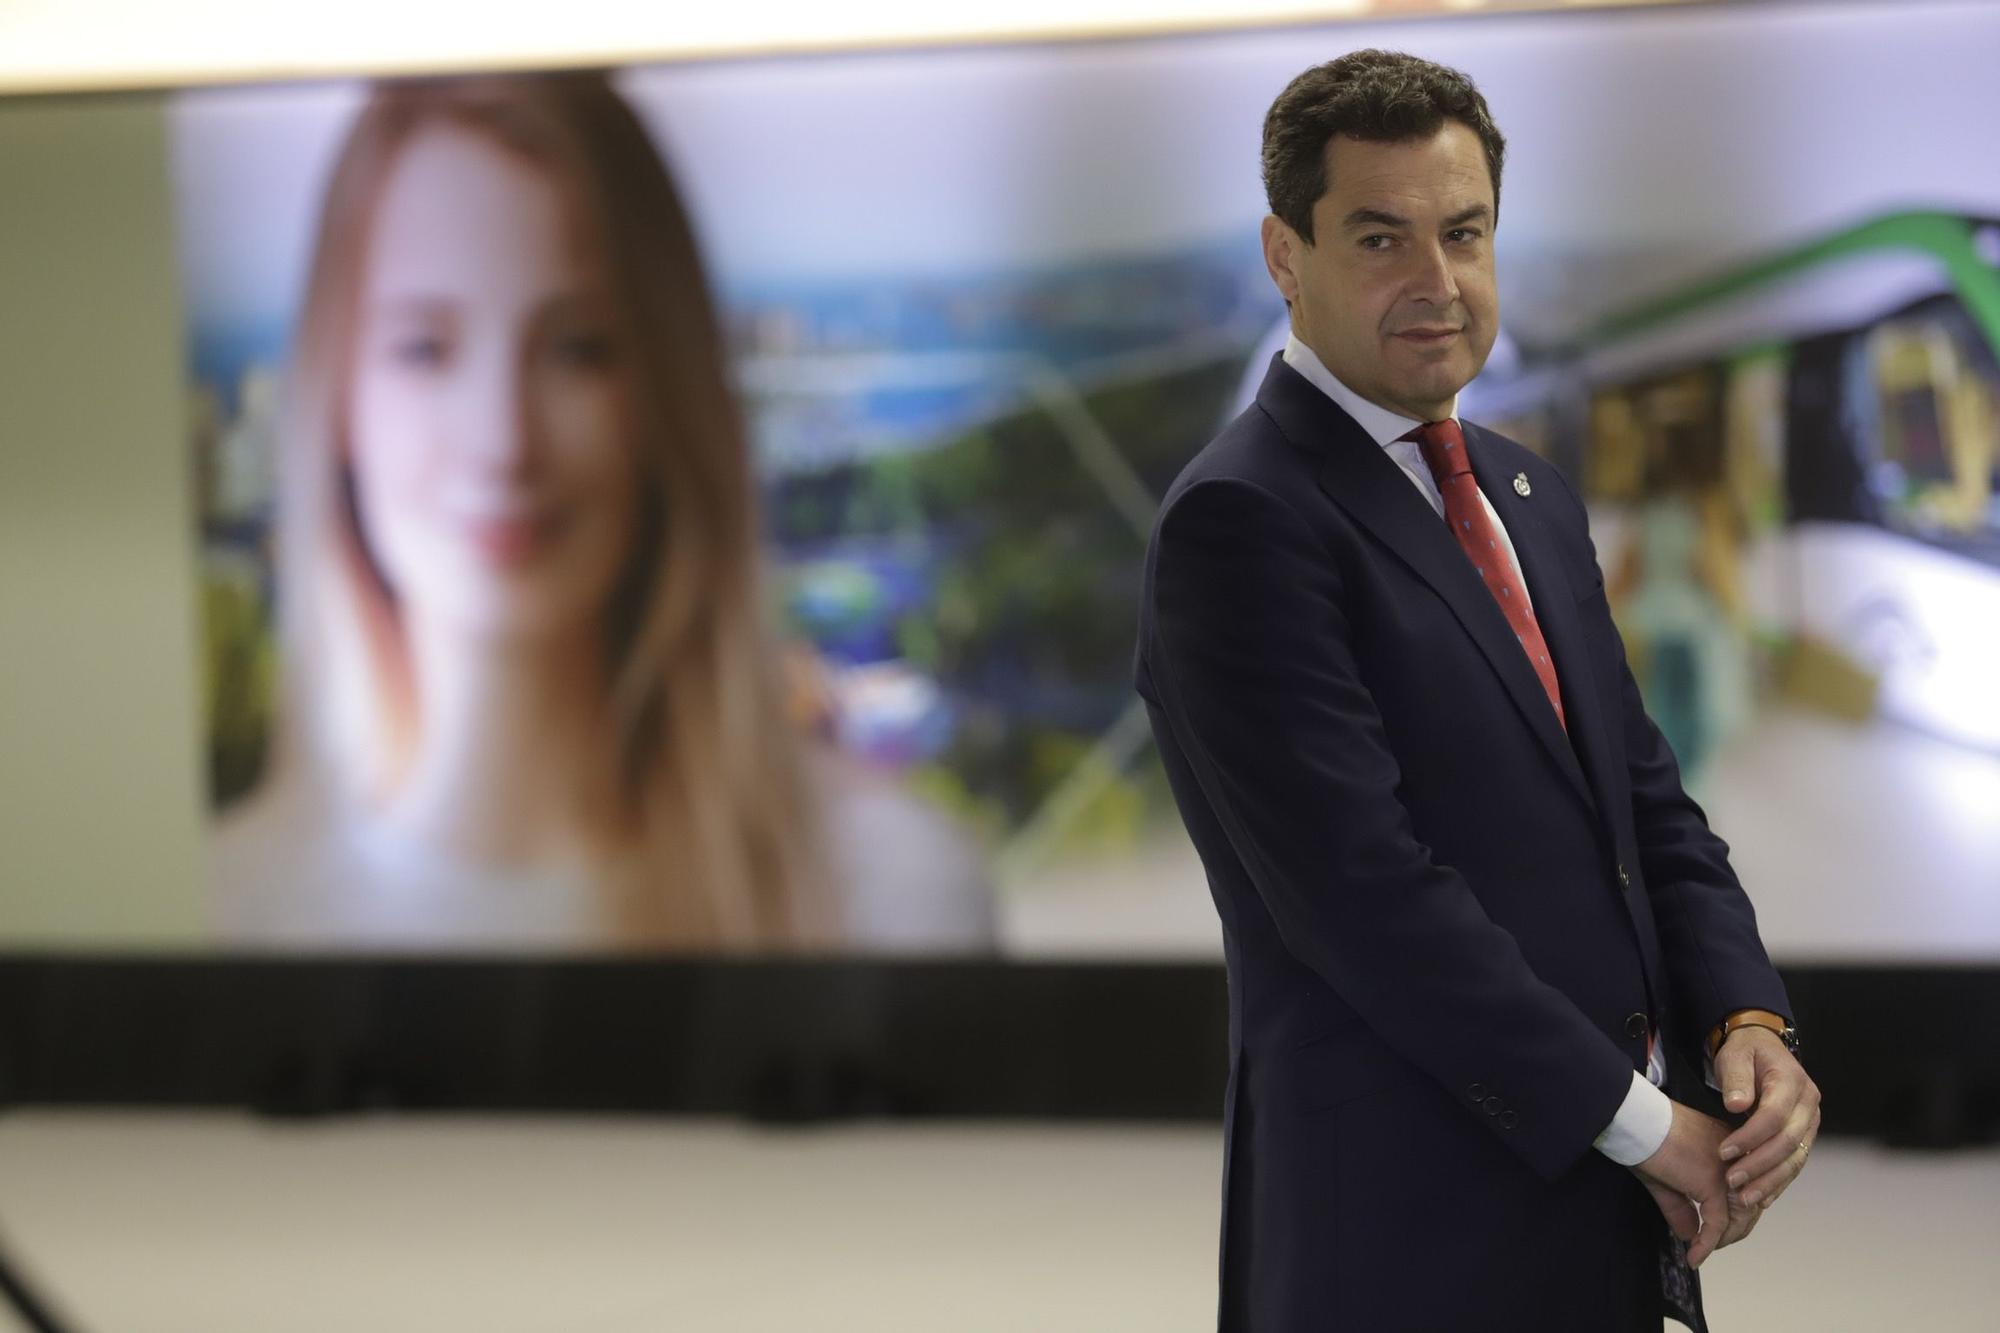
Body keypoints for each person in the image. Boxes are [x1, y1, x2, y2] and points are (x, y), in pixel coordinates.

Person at [1133, 51, 1820, 1331]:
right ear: (1285, 256)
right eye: (1379, 238)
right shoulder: (1242, 520)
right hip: (1397, 1234)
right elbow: (1369, 900)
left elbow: (1642, 804)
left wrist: (1745, 1014)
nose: (1435, 283)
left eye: (1462, 232)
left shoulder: (1526, 495)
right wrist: (1641, 1128)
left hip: (1591, 1211)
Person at [212, 71, 994, 953]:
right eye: (425, 349)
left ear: (665, 394)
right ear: (338, 402)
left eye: (578, 349)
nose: (503, 440)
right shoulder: (230, 917)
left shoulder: (893, 897)